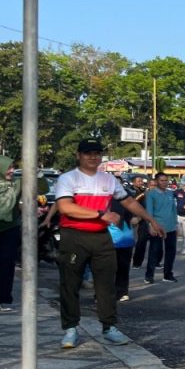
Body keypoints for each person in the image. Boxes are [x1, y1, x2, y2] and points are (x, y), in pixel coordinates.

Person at [55, 139, 163, 349]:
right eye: (88, 153)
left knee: (106, 284)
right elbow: (66, 207)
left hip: (101, 237)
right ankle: (70, 329)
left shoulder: (109, 180)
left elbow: (129, 201)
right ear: (78, 155)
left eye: (97, 153)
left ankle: (109, 327)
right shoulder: (68, 178)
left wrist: (150, 219)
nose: (93, 157)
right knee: (70, 283)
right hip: (74, 236)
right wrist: (100, 214)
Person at [0, 155, 27, 311]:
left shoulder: (16, 184)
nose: (12, 170)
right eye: (8, 167)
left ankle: (5, 300)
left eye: (12, 167)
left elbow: (43, 188)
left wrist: (36, 173)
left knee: (7, 265)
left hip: (9, 230)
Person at [144, 172, 179, 284]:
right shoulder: (151, 194)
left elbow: (174, 210)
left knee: (171, 252)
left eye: (166, 180)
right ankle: (149, 276)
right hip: (157, 226)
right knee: (154, 252)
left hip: (171, 227)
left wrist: (176, 225)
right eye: (162, 180)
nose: (164, 182)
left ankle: (168, 274)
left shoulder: (170, 193)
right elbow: (149, 211)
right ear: (156, 181)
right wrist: (151, 225)